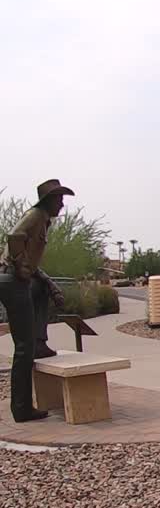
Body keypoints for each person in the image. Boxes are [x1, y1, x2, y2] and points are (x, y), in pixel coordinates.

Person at [0, 179, 71, 421]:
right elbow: (14, 235)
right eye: (59, 200)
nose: (62, 205)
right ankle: (21, 409)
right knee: (24, 348)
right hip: (11, 281)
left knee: (26, 345)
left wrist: (49, 284)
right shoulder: (36, 215)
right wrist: (20, 265)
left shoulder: (42, 220)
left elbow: (33, 265)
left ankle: (22, 406)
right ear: (48, 200)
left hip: (13, 280)